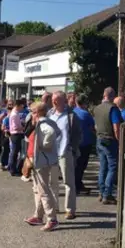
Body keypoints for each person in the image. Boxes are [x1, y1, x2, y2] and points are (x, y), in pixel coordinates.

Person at [24, 102, 61, 232]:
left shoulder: (43, 123)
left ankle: (52, 219)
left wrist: (44, 146)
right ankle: (38, 216)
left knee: (44, 191)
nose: (31, 114)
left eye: (33, 112)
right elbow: (58, 131)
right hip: (39, 161)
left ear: (38, 113)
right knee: (39, 190)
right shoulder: (45, 122)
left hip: (41, 162)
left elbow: (51, 133)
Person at [48, 91, 82, 219]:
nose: (54, 102)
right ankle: (54, 206)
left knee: (68, 182)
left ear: (63, 101)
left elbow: (78, 134)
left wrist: (72, 148)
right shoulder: (50, 114)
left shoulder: (71, 116)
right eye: (53, 99)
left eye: (56, 100)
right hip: (51, 152)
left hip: (65, 152)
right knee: (53, 182)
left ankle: (70, 209)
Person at [93, 87, 122, 205]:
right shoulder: (113, 108)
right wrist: (120, 140)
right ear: (112, 96)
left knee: (103, 166)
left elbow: (96, 125)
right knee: (112, 167)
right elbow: (116, 127)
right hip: (110, 140)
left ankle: (101, 192)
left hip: (99, 139)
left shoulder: (97, 108)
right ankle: (107, 194)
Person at [73, 94, 95, 195]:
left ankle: (77, 184)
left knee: (76, 165)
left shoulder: (72, 112)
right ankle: (77, 185)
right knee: (82, 165)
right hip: (85, 143)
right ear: (84, 103)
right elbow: (92, 128)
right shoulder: (86, 114)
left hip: (75, 143)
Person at [7, 99, 26, 176]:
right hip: (16, 135)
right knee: (14, 153)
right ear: (18, 105)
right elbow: (15, 127)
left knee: (15, 153)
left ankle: (13, 169)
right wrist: (23, 127)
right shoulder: (14, 114)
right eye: (22, 106)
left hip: (16, 135)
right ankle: (13, 170)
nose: (22, 108)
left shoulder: (15, 113)